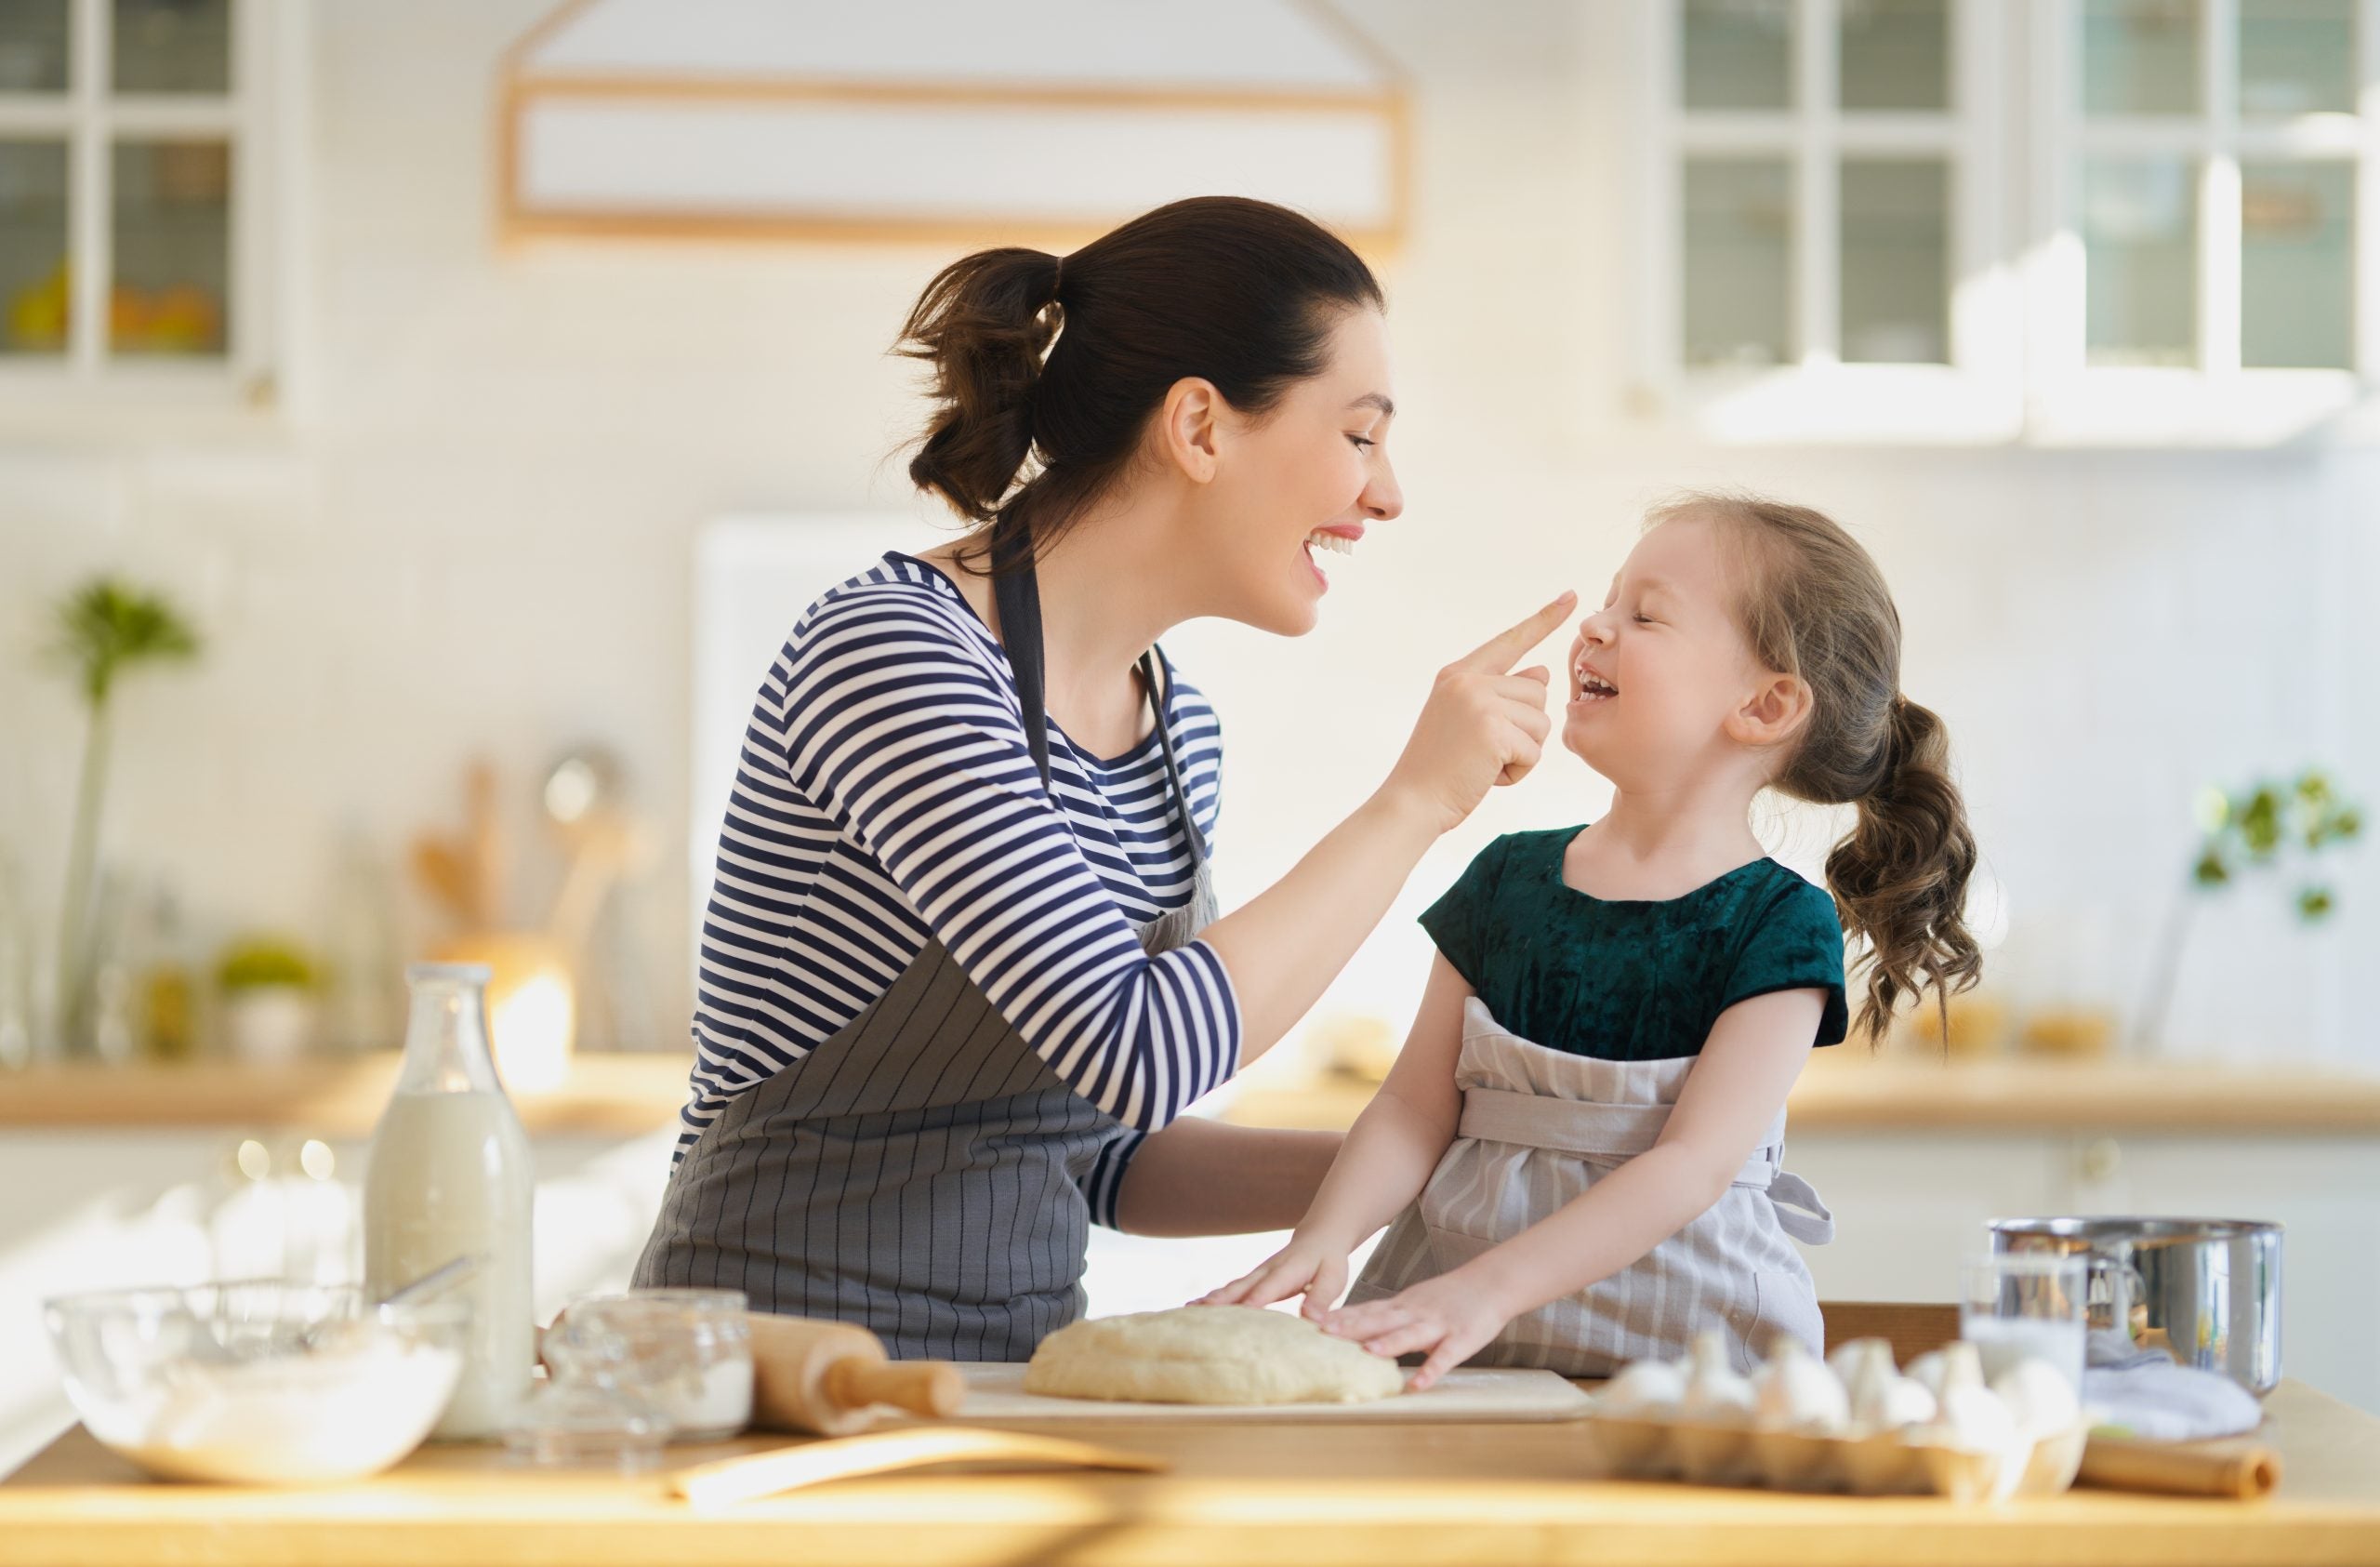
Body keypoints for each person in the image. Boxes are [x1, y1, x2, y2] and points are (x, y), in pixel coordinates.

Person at [633, 196, 1575, 1359]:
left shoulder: (1174, 731)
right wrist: (1416, 801)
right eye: (1359, 434)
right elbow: (1137, 1048)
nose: (1387, 493)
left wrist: (1411, 1163)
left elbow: (1103, 1150)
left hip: (1014, 1381)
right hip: (766, 1375)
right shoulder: (897, 656)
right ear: (1199, 427)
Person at [1203, 492, 1982, 1386]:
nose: (1597, 630)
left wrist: (1487, 1289)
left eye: (1645, 614)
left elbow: (1690, 1167)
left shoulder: (1778, 924)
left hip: (1691, 1372)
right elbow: (1416, 1109)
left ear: (1766, 705)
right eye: (1611, 603)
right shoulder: (1506, 877)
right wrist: (1324, 1238)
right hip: (1458, 1354)